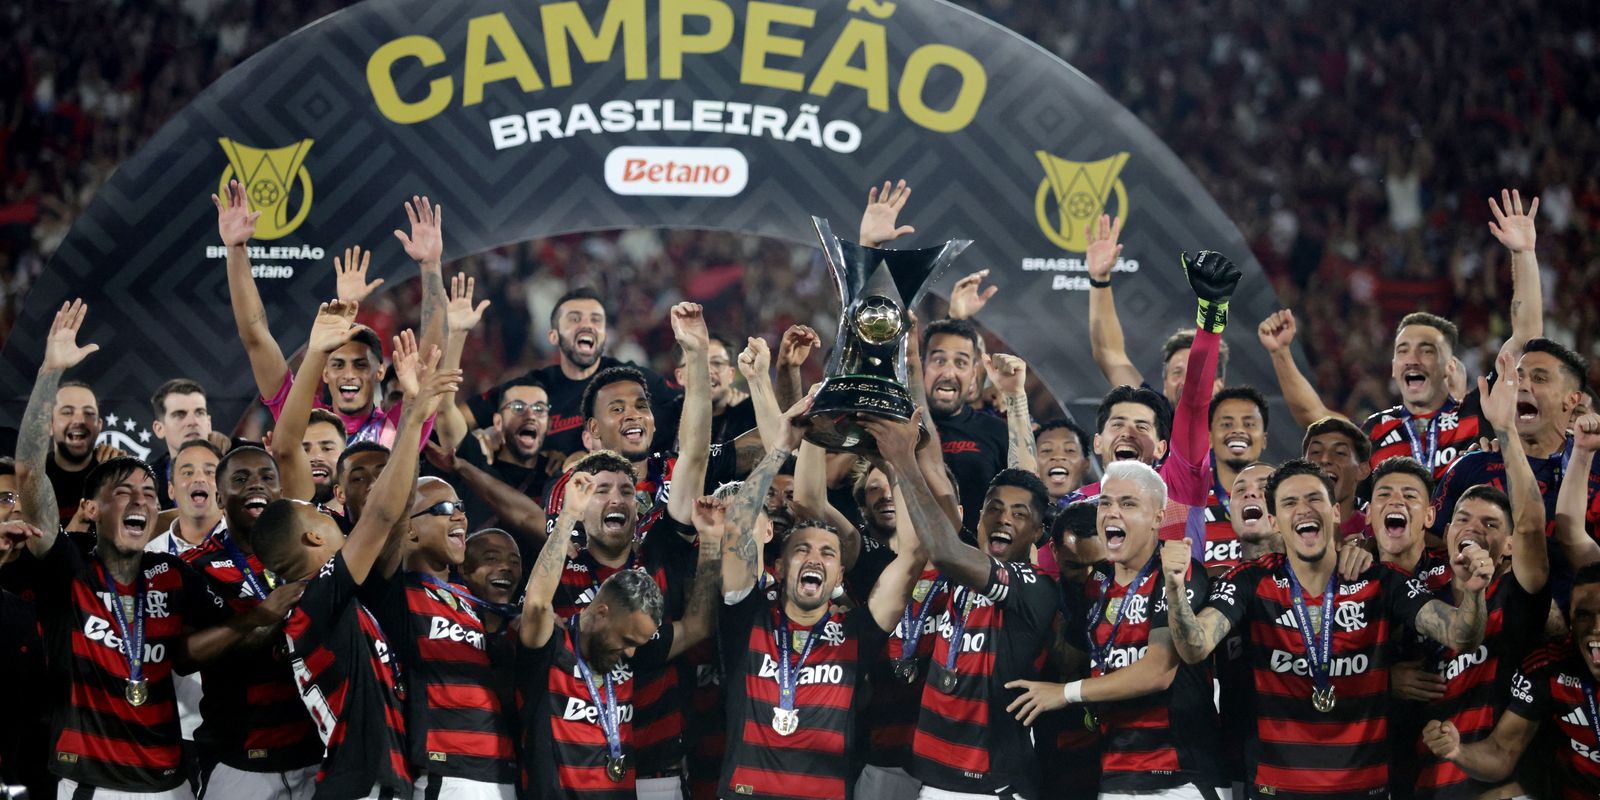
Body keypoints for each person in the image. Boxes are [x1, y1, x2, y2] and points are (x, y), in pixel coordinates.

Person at [11, 299, 301, 799]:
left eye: (147, 492)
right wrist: (49, 373)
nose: (139, 501)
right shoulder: (69, 568)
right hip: (95, 783)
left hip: (172, 782)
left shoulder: (174, 572)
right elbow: (29, 473)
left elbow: (211, 641)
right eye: (122, 492)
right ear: (92, 508)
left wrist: (264, 614)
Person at [1163, 459, 1494, 799]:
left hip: (1365, 791)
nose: (1303, 509)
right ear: (1274, 521)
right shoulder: (1250, 581)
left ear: (1335, 511)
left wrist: (1473, 593)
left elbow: (1461, 636)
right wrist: (1174, 591)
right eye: (1290, 502)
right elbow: (1195, 647)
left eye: (1314, 499)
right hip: (1275, 791)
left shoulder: (1381, 580)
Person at [252, 327, 457, 799]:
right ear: (311, 537)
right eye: (321, 519)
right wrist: (413, 418)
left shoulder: (334, 599)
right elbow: (382, 515)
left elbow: (389, 519)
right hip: (359, 786)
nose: (333, 520)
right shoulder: (315, 597)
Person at [711, 403, 925, 800]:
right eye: (802, 550)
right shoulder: (747, 618)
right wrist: (780, 447)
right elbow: (738, 528)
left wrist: (898, 463)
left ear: (840, 576)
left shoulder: (855, 633)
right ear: (779, 568)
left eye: (828, 553)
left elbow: (913, 555)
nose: (814, 559)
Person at [870, 408, 1059, 800]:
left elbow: (944, 550)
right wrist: (896, 455)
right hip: (932, 777)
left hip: (991, 785)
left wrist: (902, 460)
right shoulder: (955, 578)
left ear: (1038, 532)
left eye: (1019, 514)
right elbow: (936, 500)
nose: (1003, 519)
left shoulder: (1035, 587)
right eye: (994, 508)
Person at [1007, 461, 1218, 798]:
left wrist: (1064, 693)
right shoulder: (1097, 586)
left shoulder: (1178, 573)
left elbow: (1157, 672)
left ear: (1158, 517)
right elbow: (1070, 659)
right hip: (1115, 774)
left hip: (1178, 778)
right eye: (1105, 502)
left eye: (1128, 503)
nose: (1112, 512)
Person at [513, 466, 721, 799]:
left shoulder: (626, 646)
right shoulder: (553, 642)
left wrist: (710, 542)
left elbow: (697, 626)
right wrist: (567, 518)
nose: (631, 654)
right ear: (602, 611)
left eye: (627, 491)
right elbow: (535, 607)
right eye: (603, 490)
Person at [1411, 358, 1551, 800]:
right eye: (1463, 519)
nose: (1472, 529)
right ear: (1446, 531)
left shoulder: (1519, 598)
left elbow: (1530, 526)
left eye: (1490, 524)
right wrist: (1389, 678)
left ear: (1508, 546)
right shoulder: (1416, 592)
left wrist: (1505, 431)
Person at [219, 184, 446, 447]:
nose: (349, 374)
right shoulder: (301, 419)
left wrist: (431, 265)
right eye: (338, 364)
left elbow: (432, 360)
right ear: (325, 373)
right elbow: (255, 337)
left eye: (361, 365)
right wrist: (235, 249)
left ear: (380, 371)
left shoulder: (395, 429)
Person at [1422, 562, 1600, 799]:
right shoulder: (1547, 668)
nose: (1596, 628)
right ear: (1571, 622)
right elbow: (1501, 751)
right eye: (1584, 616)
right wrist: (1457, 751)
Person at [465, 286, 677, 463]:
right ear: (554, 336)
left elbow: (689, 410)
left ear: (604, 336)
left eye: (596, 319)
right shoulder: (530, 387)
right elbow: (458, 420)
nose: (587, 325)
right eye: (575, 319)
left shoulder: (636, 380)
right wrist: (484, 437)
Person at [1200, 386, 1271, 572]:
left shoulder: (1285, 496)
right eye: (1226, 424)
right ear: (1209, 438)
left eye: (1249, 424)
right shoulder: (1188, 500)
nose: (1238, 430)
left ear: (1264, 439)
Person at [144, 438, 225, 556]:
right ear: (171, 490)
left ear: (225, 487)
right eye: (188, 473)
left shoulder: (248, 545)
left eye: (209, 472)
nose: (199, 478)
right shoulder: (150, 555)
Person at [147, 379, 216, 510]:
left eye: (199, 413)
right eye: (180, 415)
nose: (192, 421)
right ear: (159, 429)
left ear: (208, 424)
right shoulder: (146, 481)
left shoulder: (233, 471)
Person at [1300, 417, 1373, 539]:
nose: (1325, 459)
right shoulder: (1283, 527)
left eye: (1339, 453)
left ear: (1362, 470)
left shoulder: (1377, 533)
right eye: (1316, 452)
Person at [46, 378, 106, 524]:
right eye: (67, 412)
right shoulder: (30, 479)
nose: (79, 420)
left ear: (99, 426)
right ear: (49, 425)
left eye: (89, 413)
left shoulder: (115, 476)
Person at [1035, 419, 1092, 504]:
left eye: (1070, 450)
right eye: (1046, 450)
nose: (1058, 456)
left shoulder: (1104, 508)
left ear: (1086, 464)